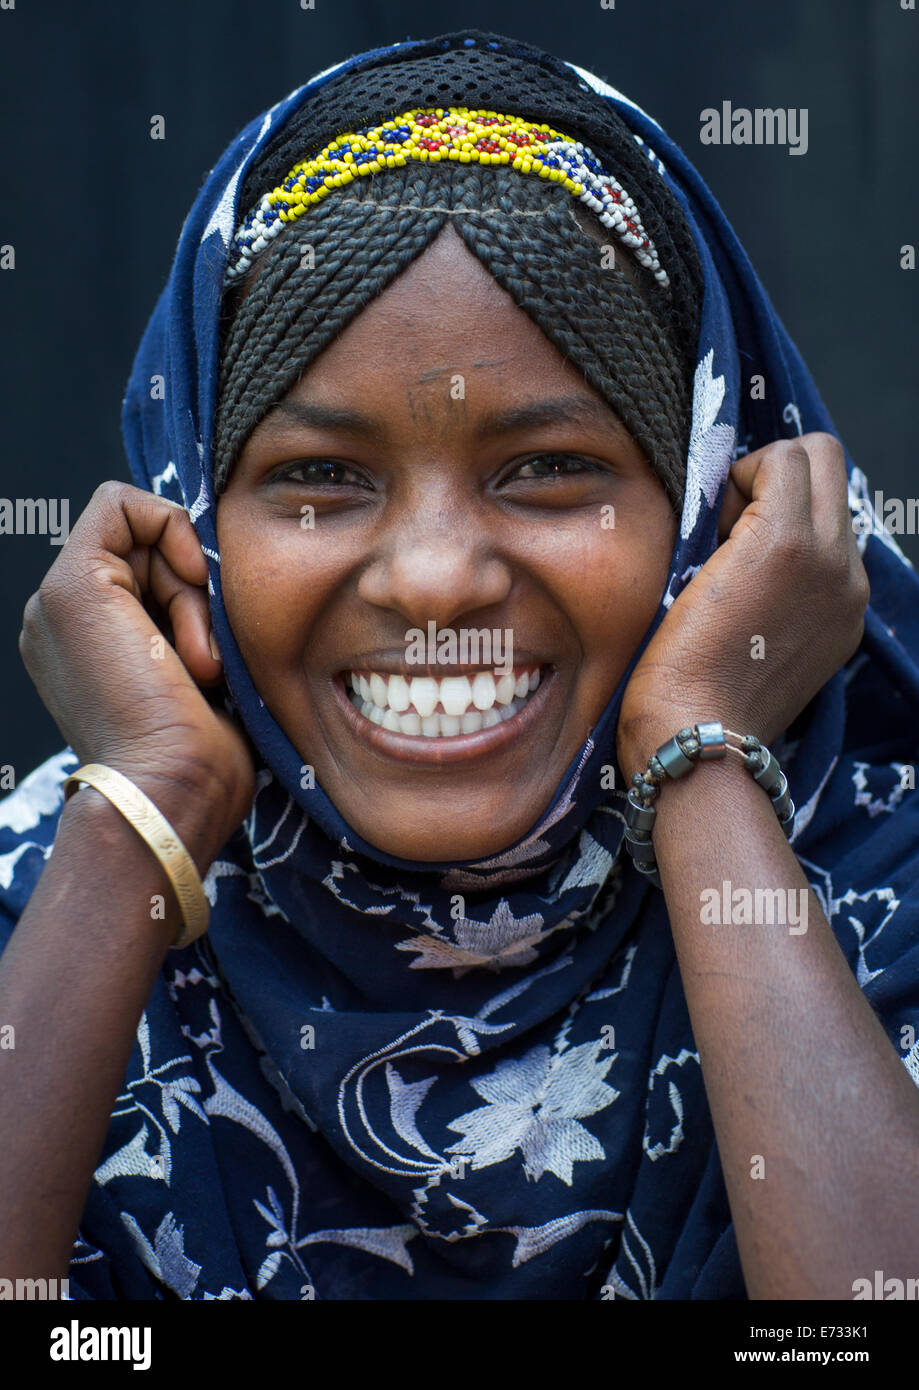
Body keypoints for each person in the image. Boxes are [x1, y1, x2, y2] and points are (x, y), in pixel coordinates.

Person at [1, 27, 918, 1302]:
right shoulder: (45, 901)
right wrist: (134, 817)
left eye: (548, 469)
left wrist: (703, 758)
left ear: (712, 511)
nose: (433, 578)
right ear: (191, 512)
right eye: (320, 477)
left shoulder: (881, 893)